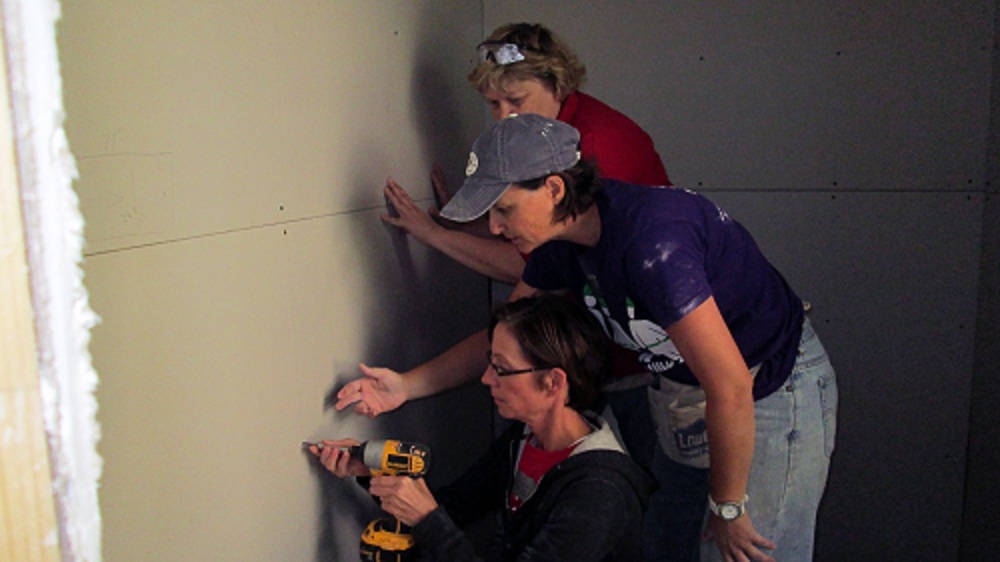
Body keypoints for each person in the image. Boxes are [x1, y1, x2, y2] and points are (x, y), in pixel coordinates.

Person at [337, 114, 839, 562]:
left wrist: (730, 509)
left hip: (767, 386)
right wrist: (404, 386)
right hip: (687, 392)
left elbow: (730, 388)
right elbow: (508, 338)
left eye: (505, 209)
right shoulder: (560, 244)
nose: (492, 226)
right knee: (667, 540)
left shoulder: (654, 246)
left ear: (554, 188)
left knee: (740, 550)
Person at [313, 294, 656, 561]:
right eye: (490, 364)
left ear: (553, 383)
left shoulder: (599, 491)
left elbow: (437, 519)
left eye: (502, 369)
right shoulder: (524, 440)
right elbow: (457, 506)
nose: (485, 378)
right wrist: (369, 470)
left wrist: (428, 519)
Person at [381, 22, 670, 286]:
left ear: (557, 86)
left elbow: (538, 269)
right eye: (493, 103)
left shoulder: (594, 144)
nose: (505, 115)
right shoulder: (546, 136)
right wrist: (468, 226)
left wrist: (436, 236)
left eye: (516, 100)